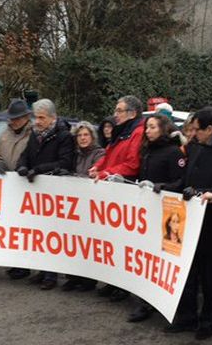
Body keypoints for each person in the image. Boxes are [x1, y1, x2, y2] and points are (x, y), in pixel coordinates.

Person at [163, 107, 212, 341]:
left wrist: (206, 193)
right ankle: (186, 316)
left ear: (210, 129)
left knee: (211, 279)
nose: (192, 134)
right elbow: (185, 181)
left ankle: (208, 321)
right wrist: (163, 186)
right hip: (187, 222)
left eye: (197, 130)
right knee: (186, 273)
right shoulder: (195, 148)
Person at [127, 114, 186, 323]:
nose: (147, 131)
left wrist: (161, 187)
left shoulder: (172, 152)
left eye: (152, 127)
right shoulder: (147, 151)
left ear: (163, 129)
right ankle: (144, 301)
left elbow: (180, 181)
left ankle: (159, 300)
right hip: (147, 212)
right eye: (146, 128)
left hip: (166, 212)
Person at [89, 95, 145, 302]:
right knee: (112, 241)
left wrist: (106, 173)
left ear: (132, 113)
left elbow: (132, 165)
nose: (115, 114)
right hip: (114, 193)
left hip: (124, 194)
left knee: (124, 243)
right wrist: (100, 166)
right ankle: (113, 282)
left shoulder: (137, 133)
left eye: (119, 111)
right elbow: (110, 154)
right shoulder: (123, 132)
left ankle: (123, 286)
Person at [16, 98, 75, 290]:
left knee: (52, 233)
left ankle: (51, 275)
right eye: (36, 117)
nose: (37, 121)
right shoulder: (35, 134)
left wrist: (40, 169)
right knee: (38, 234)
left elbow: (65, 162)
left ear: (53, 118)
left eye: (41, 118)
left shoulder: (64, 136)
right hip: (36, 190)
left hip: (54, 192)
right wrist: (22, 166)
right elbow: (25, 154)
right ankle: (41, 270)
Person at [0, 99, 33, 280]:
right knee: (11, 228)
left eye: (16, 118)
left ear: (25, 118)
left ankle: (26, 265)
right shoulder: (5, 134)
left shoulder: (33, 134)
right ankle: (15, 263)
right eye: (11, 118)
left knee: (26, 229)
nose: (13, 122)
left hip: (26, 188)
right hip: (7, 187)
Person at [60, 121, 105, 293]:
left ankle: (88, 279)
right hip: (76, 206)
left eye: (86, 135)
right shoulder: (76, 154)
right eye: (79, 135)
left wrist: (73, 177)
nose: (83, 138)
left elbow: (92, 176)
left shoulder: (99, 153)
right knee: (74, 242)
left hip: (91, 206)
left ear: (92, 136)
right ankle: (73, 277)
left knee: (89, 243)